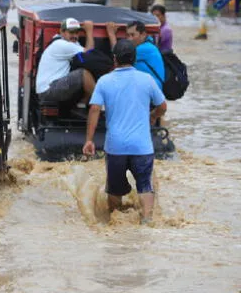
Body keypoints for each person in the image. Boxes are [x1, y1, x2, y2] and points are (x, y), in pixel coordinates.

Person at [83, 40, 167, 226]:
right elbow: (162, 106)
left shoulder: (105, 81)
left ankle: (115, 223)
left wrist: (89, 140)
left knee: (114, 189)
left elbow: (95, 109)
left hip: (116, 147)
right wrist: (153, 116)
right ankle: (146, 222)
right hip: (142, 147)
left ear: (114, 59)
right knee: (145, 185)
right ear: (134, 59)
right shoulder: (146, 79)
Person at [35, 18, 96, 106]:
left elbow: (86, 59)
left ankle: (84, 103)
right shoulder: (61, 44)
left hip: (51, 88)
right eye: (71, 32)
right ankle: (98, 104)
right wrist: (89, 31)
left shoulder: (72, 43)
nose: (75, 36)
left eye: (77, 33)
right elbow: (89, 53)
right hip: (49, 90)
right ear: (62, 32)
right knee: (83, 74)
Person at [107, 21, 165, 90]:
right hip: (146, 86)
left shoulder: (145, 48)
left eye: (133, 35)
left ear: (143, 34)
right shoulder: (147, 45)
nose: (129, 39)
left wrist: (111, 34)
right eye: (127, 35)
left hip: (151, 89)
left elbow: (118, 55)